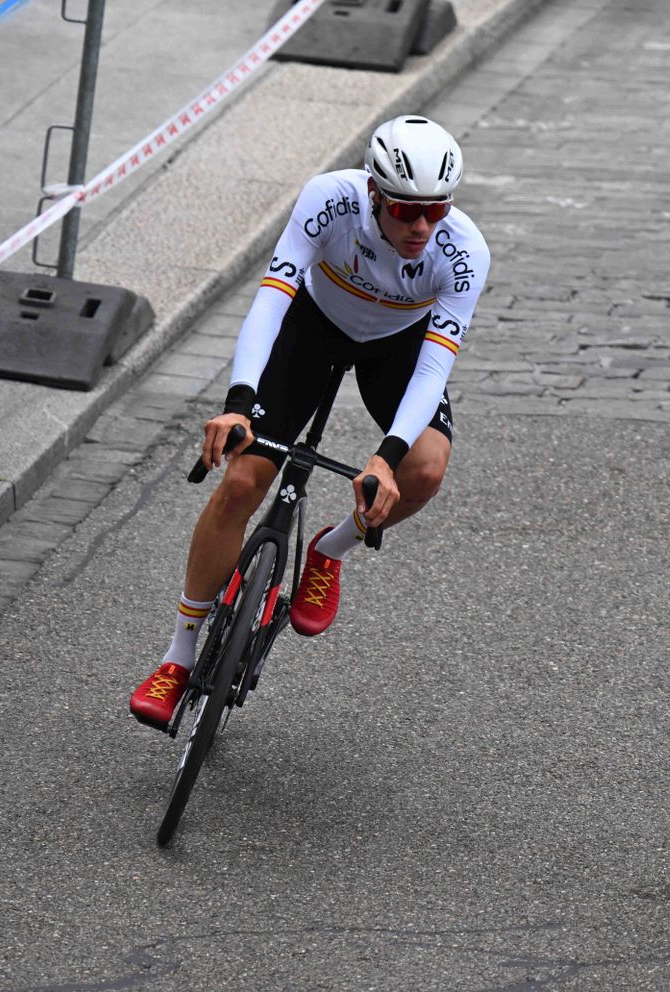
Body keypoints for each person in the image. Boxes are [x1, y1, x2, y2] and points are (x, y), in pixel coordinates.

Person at [130, 115, 490, 729]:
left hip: (396, 349)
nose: (423, 227)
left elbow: (432, 369)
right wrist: (239, 402)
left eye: (437, 209)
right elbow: (272, 298)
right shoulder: (329, 199)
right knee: (243, 482)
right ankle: (178, 656)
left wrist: (387, 454)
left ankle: (329, 550)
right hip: (313, 328)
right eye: (406, 211)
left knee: (424, 469)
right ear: (374, 193)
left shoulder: (464, 253)